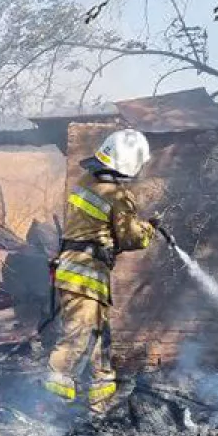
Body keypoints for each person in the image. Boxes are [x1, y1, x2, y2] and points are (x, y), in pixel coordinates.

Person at [42, 128, 160, 416]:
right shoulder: (117, 195)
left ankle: (101, 408)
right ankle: (48, 410)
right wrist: (149, 228)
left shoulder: (84, 183)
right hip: (86, 275)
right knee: (78, 336)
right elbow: (131, 238)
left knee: (99, 341)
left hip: (78, 271)